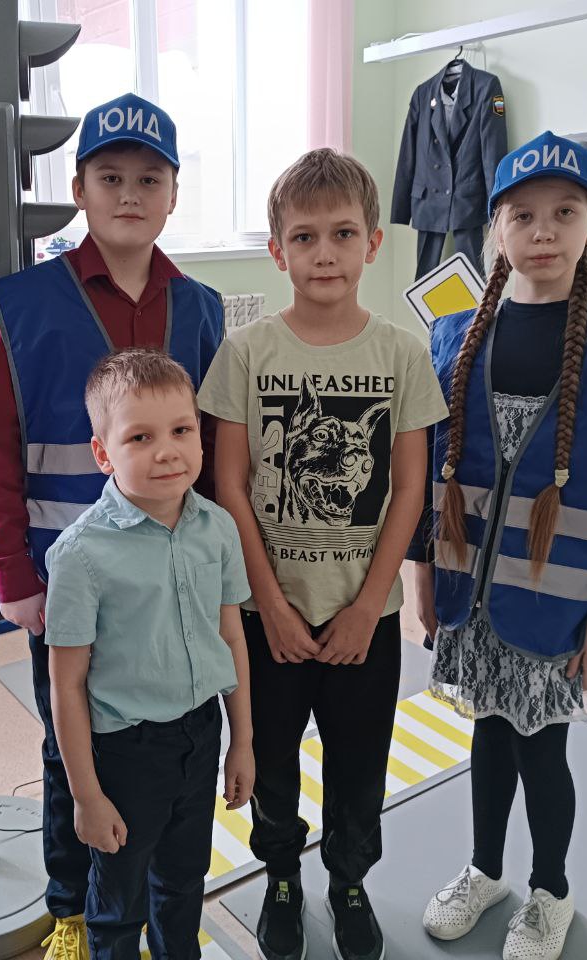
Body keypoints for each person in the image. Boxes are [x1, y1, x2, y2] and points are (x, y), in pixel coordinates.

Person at [410, 132, 587, 960]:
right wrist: (424, 581)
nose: (543, 231)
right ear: (496, 227)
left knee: (542, 746)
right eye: (523, 215)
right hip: (470, 593)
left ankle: (550, 891)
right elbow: (429, 471)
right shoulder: (453, 338)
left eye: (565, 213)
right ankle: (485, 870)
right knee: (490, 731)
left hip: (558, 602)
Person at [0, 93, 225, 960]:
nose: (129, 195)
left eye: (149, 180)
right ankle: (72, 910)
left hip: (170, 580)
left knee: (161, 743)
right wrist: (15, 579)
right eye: (110, 177)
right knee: (68, 744)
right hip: (64, 584)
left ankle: (160, 906)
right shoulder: (27, 303)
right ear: (78, 190)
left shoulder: (199, 308)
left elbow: (210, 452)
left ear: (173, 194)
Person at [199, 148, 448, 960]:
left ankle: (348, 881)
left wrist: (369, 607)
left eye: (343, 234)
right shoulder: (247, 353)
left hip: (363, 620)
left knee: (358, 769)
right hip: (265, 616)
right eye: (304, 237)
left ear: (373, 242)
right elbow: (229, 485)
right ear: (278, 251)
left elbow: (408, 490)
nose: (325, 253)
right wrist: (268, 604)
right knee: (271, 762)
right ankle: (280, 876)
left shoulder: (402, 353)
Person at [45, 348, 254, 960]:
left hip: (200, 733)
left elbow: (232, 638)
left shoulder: (217, 527)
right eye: (140, 437)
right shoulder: (80, 555)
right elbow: (66, 686)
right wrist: (87, 796)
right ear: (103, 453)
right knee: (118, 900)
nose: (167, 451)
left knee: (184, 882)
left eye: (181, 430)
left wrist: (242, 741)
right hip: (125, 753)